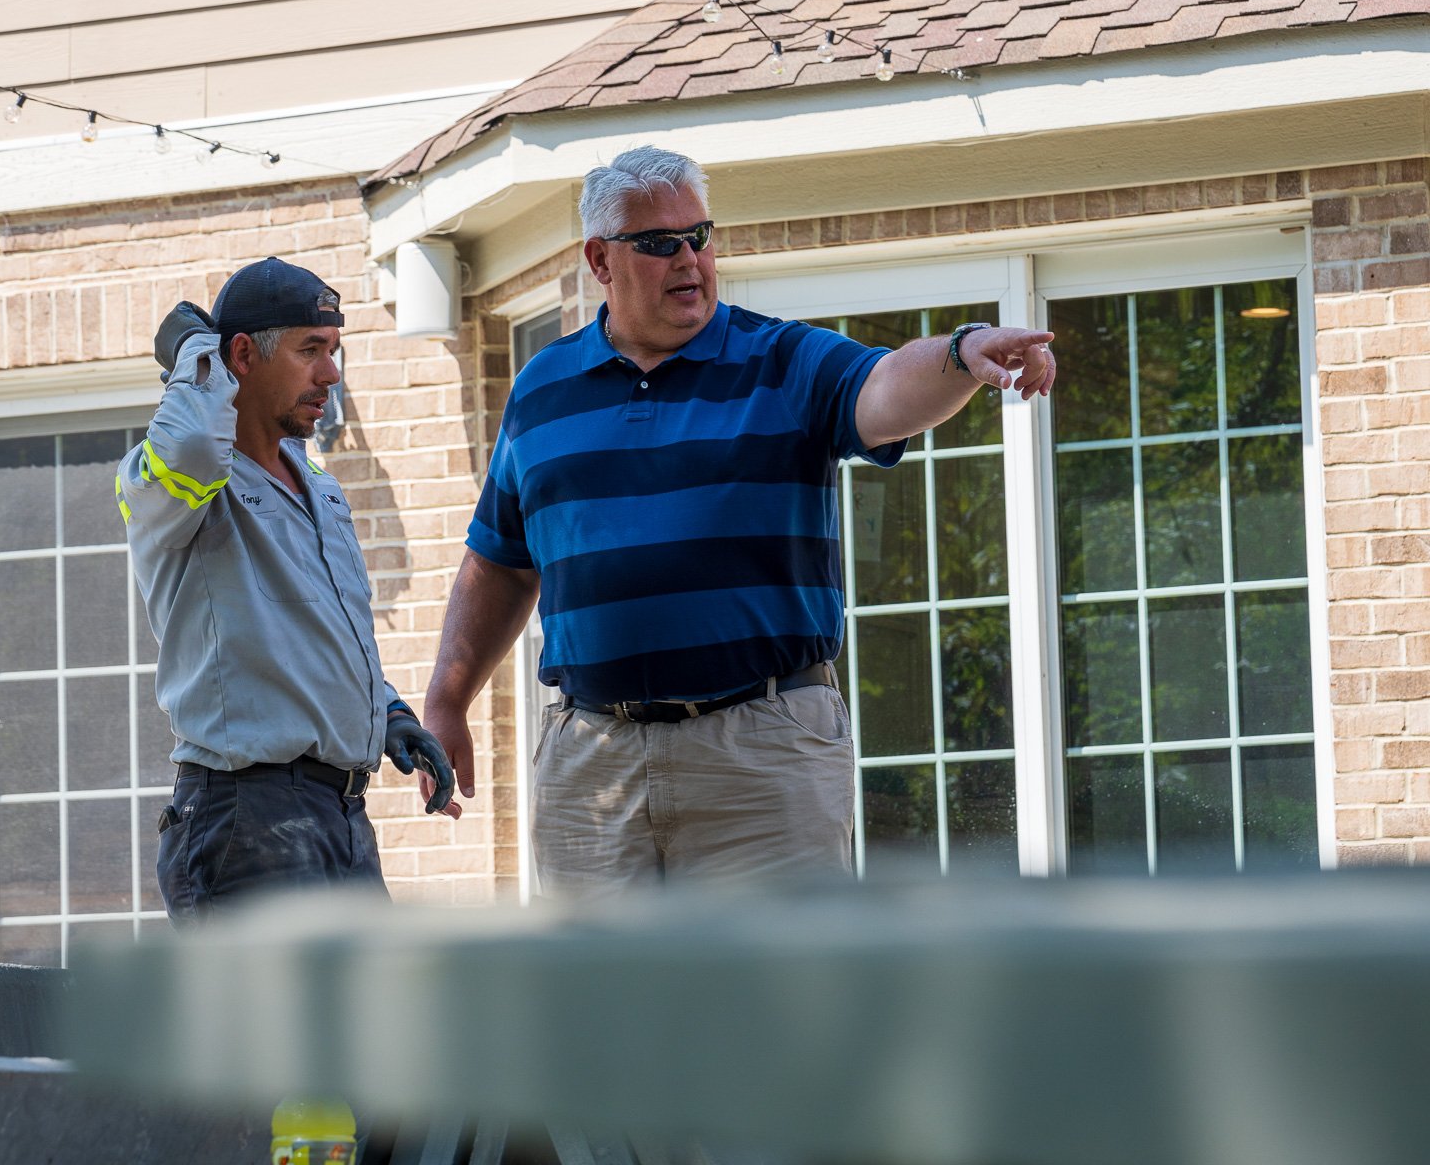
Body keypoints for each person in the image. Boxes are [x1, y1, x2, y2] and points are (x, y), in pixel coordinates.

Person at [420, 147, 1056, 894]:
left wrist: (960, 352)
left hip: (762, 750)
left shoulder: (783, 360)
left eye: (701, 236)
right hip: (591, 760)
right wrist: (447, 699)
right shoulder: (541, 388)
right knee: (596, 1009)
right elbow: (498, 561)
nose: (689, 258)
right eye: (660, 244)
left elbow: (884, 390)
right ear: (600, 259)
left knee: (781, 1007)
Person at [118, 256, 455, 924]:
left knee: (379, 1030)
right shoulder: (177, 486)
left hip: (338, 818)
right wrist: (196, 353)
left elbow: (325, 631)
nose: (331, 372)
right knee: (275, 1035)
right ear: (242, 354)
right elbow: (189, 446)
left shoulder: (320, 486)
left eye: (334, 351)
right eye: (310, 350)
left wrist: (386, 714)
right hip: (246, 820)